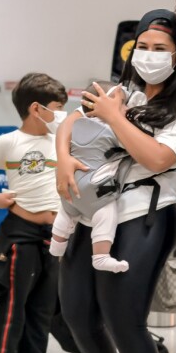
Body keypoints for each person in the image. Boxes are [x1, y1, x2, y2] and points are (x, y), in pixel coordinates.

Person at [56, 9, 176, 353]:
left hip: (146, 217)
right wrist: (62, 156)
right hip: (91, 211)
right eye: (144, 47)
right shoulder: (119, 92)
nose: (150, 56)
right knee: (76, 311)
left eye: (161, 50)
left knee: (123, 319)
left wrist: (117, 118)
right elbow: (70, 123)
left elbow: (157, 159)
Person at [0, 72, 71, 353]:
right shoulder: (9, 142)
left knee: (43, 306)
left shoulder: (60, 141)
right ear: (35, 109)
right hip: (20, 235)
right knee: (12, 304)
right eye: (56, 108)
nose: (61, 115)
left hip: (54, 235)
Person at [50, 81, 147, 273]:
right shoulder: (113, 130)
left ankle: (56, 243)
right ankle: (101, 256)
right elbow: (137, 147)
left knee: (67, 212)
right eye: (122, 104)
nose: (126, 107)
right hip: (96, 192)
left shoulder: (77, 124)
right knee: (107, 214)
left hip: (68, 187)